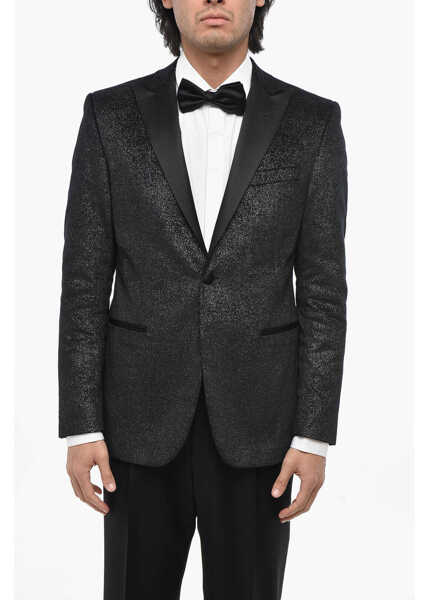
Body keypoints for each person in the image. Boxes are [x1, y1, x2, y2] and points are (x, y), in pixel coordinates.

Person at [58, 1, 348, 598]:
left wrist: (313, 435)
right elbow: (84, 282)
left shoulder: (313, 122)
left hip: (261, 427)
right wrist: (81, 425)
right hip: (136, 423)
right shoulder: (109, 115)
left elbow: (323, 292)